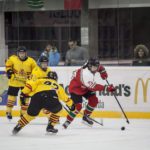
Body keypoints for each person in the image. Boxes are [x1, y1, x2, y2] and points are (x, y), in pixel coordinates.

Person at [62, 58, 116, 129]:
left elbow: (99, 66)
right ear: (89, 66)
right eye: (94, 68)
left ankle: (86, 117)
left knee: (94, 101)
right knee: (78, 107)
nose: (95, 70)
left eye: (96, 68)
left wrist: (102, 71)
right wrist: (107, 88)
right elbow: (94, 87)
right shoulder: (86, 74)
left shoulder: (91, 64)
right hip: (76, 89)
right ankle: (68, 121)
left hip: (85, 87)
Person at [5, 46, 37, 120]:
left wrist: (32, 77)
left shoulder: (31, 61)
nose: (21, 54)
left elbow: (35, 70)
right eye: (20, 53)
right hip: (14, 81)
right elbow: (8, 64)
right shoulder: (13, 58)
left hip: (26, 83)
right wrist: (9, 71)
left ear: (26, 53)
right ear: (17, 53)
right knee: (11, 98)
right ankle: (8, 111)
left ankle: (23, 114)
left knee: (25, 99)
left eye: (23, 53)